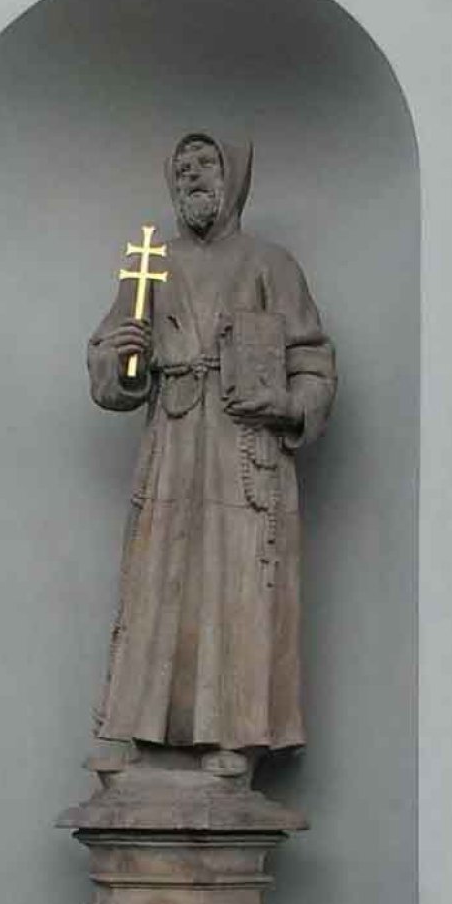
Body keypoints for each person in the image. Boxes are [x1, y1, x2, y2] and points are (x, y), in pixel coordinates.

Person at [87, 132, 336, 764]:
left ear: (235, 177)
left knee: (238, 586)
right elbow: (112, 365)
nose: (191, 177)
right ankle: (140, 729)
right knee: (159, 581)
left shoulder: (270, 265)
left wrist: (288, 404)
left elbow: (312, 361)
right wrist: (119, 361)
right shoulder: (148, 262)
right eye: (182, 167)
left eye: (205, 164)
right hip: (171, 444)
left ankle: (237, 736)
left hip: (244, 450)